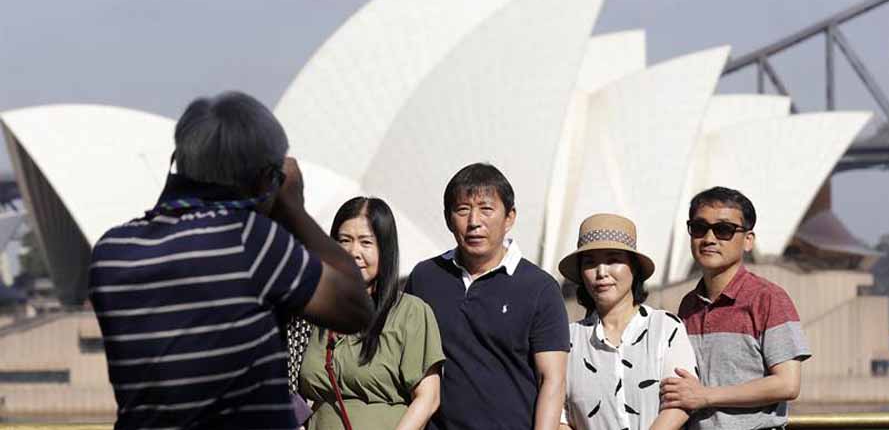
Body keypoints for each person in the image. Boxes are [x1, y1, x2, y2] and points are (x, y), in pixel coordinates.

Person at [89, 91, 373, 430]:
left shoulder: (112, 252)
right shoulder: (248, 240)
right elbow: (355, 308)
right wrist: (294, 208)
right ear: (264, 180)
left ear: (178, 159)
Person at [404, 163, 569, 430]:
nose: (474, 222)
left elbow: (552, 380)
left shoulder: (540, 288)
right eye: (462, 210)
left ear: (510, 217)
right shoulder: (425, 277)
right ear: (448, 218)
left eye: (486, 209)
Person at [659, 186, 811, 430]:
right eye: (699, 228)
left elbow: (787, 384)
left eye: (723, 230)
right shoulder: (688, 305)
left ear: (748, 240)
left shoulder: (768, 299)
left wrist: (705, 396)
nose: (709, 238)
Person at [299, 197, 445, 429]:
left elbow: (428, 398)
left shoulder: (410, 312)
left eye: (366, 242)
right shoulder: (313, 312)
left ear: (385, 249)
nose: (353, 251)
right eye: (344, 240)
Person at [558, 214, 696, 430]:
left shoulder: (666, 328)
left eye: (613, 260)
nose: (602, 273)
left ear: (634, 267)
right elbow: (559, 416)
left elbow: (680, 402)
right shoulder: (566, 341)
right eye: (590, 263)